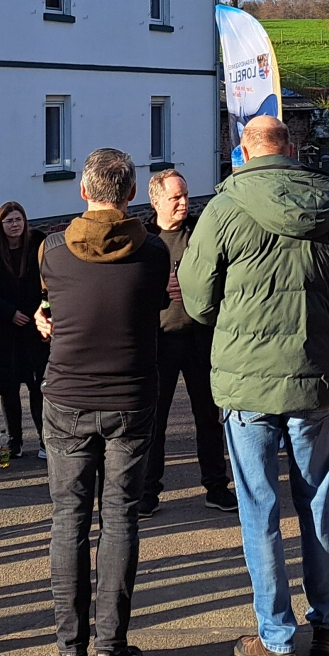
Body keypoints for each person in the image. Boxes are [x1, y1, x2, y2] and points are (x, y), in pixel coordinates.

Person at [179, 115, 329, 656]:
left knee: (259, 506)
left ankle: (277, 637)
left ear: (241, 150)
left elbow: (196, 299)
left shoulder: (224, 207)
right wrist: (326, 342)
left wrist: (235, 330)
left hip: (245, 381)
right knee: (316, 500)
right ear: (290, 147)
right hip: (313, 376)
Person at [35, 148, 170, 656]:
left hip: (67, 393)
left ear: (84, 192)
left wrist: (49, 315)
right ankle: (112, 650)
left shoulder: (52, 251)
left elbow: (58, 301)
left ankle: (71, 651)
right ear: (132, 194)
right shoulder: (154, 253)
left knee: (68, 520)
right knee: (119, 518)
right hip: (131, 396)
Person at [142, 170, 235, 515]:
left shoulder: (200, 233)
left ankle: (216, 487)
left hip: (200, 337)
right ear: (156, 201)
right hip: (160, 339)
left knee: (209, 416)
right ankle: (148, 492)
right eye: (175, 198)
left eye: (185, 196)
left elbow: (225, 273)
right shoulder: (144, 238)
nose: (184, 203)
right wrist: (157, 290)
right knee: (155, 420)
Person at [0, 200, 50, 471]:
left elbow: (46, 284)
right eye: (9, 221)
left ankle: (45, 440)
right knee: (8, 388)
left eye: (18, 219)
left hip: (33, 326)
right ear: (0, 224)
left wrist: (39, 313)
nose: (14, 225)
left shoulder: (37, 245)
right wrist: (8, 312)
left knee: (37, 385)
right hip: (6, 328)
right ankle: (14, 440)